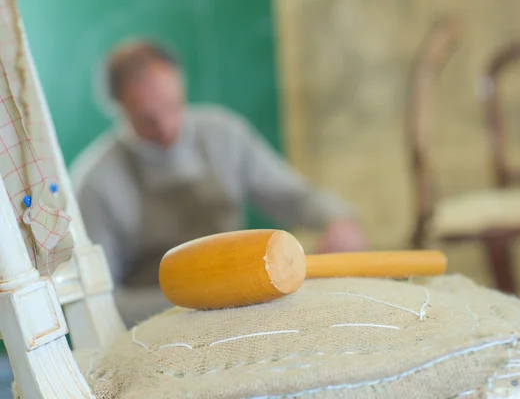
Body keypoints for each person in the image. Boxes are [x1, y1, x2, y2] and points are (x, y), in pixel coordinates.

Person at [71, 40, 366, 323]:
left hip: (241, 307)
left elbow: (294, 197)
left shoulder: (224, 135)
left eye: (172, 106)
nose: (166, 127)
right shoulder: (97, 184)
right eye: (146, 119)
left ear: (181, 86)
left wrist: (338, 219)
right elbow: (101, 302)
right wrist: (198, 300)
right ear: (118, 109)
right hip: (161, 326)